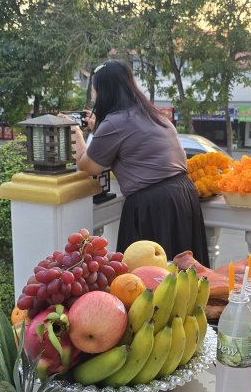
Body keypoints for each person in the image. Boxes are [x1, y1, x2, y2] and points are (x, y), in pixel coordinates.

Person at [68, 60, 209, 265]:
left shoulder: (114, 123)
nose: (94, 96)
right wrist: (98, 127)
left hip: (153, 205)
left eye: (94, 90)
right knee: (183, 272)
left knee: (149, 274)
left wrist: (75, 133)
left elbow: (89, 166)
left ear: (104, 91)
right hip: (183, 195)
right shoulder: (153, 115)